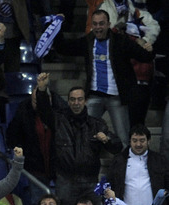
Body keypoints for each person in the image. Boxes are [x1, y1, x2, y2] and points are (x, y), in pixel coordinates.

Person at [53, 9, 155, 145]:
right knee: (83, 135)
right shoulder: (87, 41)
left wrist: (150, 50)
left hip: (117, 97)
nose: (98, 27)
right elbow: (63, 48)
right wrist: (57, 27)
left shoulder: (121, 41)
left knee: (123, 139)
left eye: (101, 24)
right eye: (95, 24)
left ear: (108, 24)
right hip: (94, 96)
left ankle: (124, 165)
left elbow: (143, 56)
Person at [36, 84, 121, 205]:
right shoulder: (58, 120)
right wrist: (41, 91)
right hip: (66, 181)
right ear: (68, 101)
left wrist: (107, 139)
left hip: (91, 181)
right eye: (73, 99)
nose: (76, 103)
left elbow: (117, 147)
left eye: (80, 99)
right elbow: (43, 111)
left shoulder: (97, 124)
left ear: (85, 101)